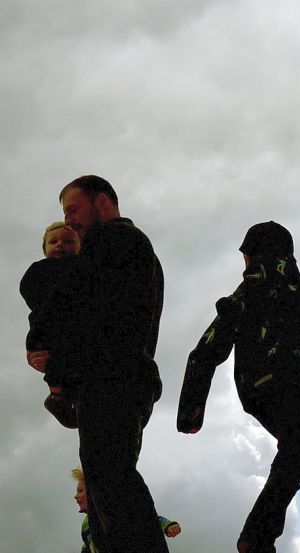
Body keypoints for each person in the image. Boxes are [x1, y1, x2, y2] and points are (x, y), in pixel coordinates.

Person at [177, 221, 300, 553]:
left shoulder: (241, 298)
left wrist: (191, 411)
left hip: (258, 393)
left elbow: (204, 352)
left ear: (250, 256)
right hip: (298, 387)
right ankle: (273, 536)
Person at [53, 175, 168, 552]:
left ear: (101, 203)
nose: (68, 221)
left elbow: (82, 311)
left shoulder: (112, 242)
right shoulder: (134, 250)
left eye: (73, 209)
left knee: (111, 481)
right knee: (105, 485)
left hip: (112, 379)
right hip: (120, 379)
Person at [20, 221, 88, 428]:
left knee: (69, 360)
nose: (60, 245)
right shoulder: (39, 269)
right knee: (52, 360)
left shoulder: (82, 267)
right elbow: (29, 291)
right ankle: (57, 395)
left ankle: (68, 397)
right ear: (45, 249)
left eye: (68, 241)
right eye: (53, 241)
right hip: (45, 325)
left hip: (72, 326)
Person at [72, 467, 182, 553]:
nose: (76, 496)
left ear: (94, 491)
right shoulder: (86, 525)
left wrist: (167, 525)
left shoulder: (114, 508)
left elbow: (149, 520)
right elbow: (87, 546)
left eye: (80, 491)